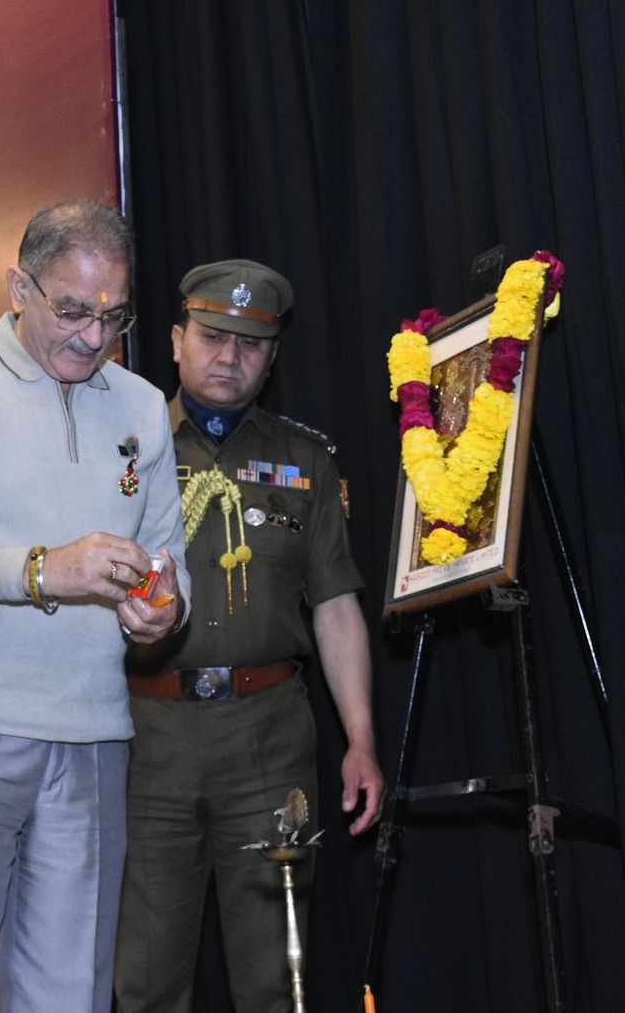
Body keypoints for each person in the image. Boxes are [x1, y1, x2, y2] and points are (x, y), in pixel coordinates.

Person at [0, 200, 189, 1013]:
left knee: (71, 995)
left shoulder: (142, 408)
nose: (93, 337)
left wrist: (163, 608)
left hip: (94, 738)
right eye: (73, 310)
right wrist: (40, 572)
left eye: (114, 318)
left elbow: (168, 562)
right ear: (19, 288)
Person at [114, 259, 385, 1013]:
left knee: (276, 977)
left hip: (268, 739)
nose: (230, 356)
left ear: (273, 358)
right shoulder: (124, 450)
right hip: (147, 740)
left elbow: (336, 606)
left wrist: (361, 740)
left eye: (251, 343)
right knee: (145, 977)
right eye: (212, 336)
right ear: (176, 340)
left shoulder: (306, 461)